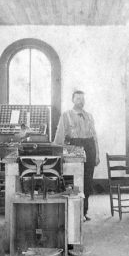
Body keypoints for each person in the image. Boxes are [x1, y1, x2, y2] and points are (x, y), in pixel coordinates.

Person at [54, 90, 100, 221]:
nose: (81, 101)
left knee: (88, 181)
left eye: (83, 99)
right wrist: (59, 154)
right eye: (78, 99)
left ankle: (83, 212)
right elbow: (59, 136)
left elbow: (94, 137)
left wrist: (97, 154)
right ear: (73, 100)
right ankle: (73, 213)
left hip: (90, 148)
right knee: (73, 181)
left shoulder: (89, 116)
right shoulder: (66, 115)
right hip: (74, 147)